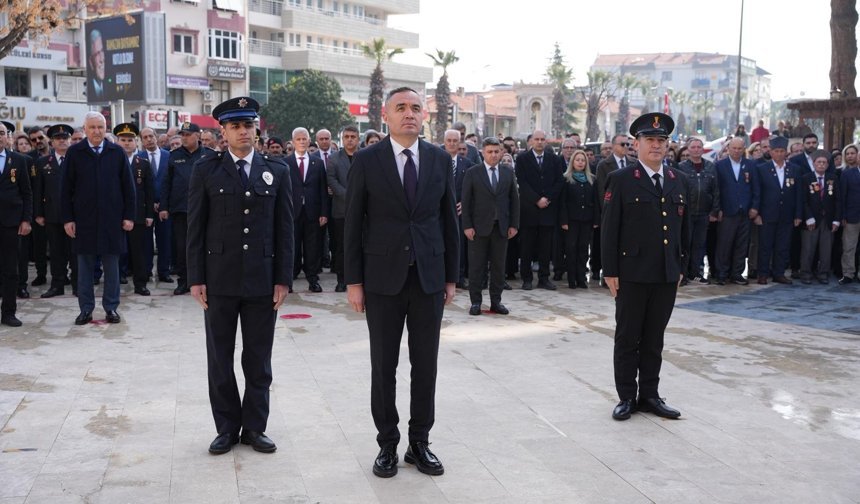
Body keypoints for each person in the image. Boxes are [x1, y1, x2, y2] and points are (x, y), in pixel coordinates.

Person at [344, 86, 459, 478]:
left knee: (425, 365)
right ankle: (387, 444)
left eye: (415, 108)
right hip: (382, 280)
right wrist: (354, 280)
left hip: (428, 278)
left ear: (424, 115)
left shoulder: (440, 159)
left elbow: (449, 221)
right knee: (384, 366)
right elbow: (353, 223)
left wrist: (451, 276)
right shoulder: (367, 160)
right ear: (385, 114)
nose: (409, 113)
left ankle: (420, 442)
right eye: (401, 108)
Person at [187, 96, 293, 455]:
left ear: (256, 129)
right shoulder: (206, 170)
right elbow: (195, 228)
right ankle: (227, 428)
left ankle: (255, 428)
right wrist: (196, 278)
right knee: (220, 358)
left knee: (258, 358)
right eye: (235, 126)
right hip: (219, 280)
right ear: (224, 131)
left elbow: (285, 229)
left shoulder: (277, 170)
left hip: (262, 280)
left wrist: (283, 278)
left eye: (248, 125)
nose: (243, 131)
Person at [601, 112, 690, 422]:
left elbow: (685, 230)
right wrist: (610, 271)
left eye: (661, 140)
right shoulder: (622, 179)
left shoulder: (679, 180)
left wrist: (681, 266)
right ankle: (627, 396)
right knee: (628, 337)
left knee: (654, 338)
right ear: (635, 144)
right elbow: (609, 229)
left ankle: (650, 394)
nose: (656, 145)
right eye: (650, 140)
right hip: (632, 273)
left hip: (666, 273)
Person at [61, 112, 135, 325]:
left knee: (112, 268)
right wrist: (68, 219)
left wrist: (129, 216)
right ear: (85, 129)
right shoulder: (75, 152)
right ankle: (86, 309)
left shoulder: (116, 152)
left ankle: (111, 308)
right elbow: (65, 189)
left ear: (106, 129)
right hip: (83, 220)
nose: (96, 131)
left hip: (112, 220)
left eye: (100, 127)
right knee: (84, 269)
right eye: (92, 127)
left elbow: (128, 187)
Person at [461, 136, 519, 315]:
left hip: (501, 228)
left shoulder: (507, 172)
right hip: (478, 228)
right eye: (490, 152)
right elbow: (466, 201)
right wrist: (467, 226)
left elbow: (514, 200)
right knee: (476, 267)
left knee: (498, 267)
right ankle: (475, 302)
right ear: (483, 153)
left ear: (501, 152)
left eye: (496, 151)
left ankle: (496, 302)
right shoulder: (473, 172)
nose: (493, 155)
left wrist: (514, 224)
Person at [159, 121, 214, 295]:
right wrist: (164, 207)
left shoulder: (209, 155)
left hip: (205, 209)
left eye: (188, 135)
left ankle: (204, 280)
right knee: (182, 247)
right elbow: (167, 183)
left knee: (205, 245)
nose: (184, 138)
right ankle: (184, 281)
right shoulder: (174, 156)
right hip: (181, 209)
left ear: (198, 136)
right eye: (182, 135)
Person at [750, 136, 803, 284]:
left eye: (781, 151)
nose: (779, 154)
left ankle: (779, 273)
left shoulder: (794, 169)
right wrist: (757, 213)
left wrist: (798, 214)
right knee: (765, 245)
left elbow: (799, 193)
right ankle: (762, 273)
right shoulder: (762, 169)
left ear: (786, 152)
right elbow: (757, 192)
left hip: (787, 214)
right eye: (776, 151)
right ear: (771, 152)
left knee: (783, 246)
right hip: (767, 214)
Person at [515, 129, 564, 290]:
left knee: (545, 247)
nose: (540, 142)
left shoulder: (554, 159)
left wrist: (547, 198)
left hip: (548, 209)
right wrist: (536, 199)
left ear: (546, 141)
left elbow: (559, 181)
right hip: (529, 209)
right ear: (531, 141)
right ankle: (527, 279)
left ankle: (544, 278)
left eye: (542, 139)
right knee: (527, 246)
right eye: (537, 139)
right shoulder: (522, 159)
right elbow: (522, 182)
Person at [34, 124, 76, 298]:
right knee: (56, 253)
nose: (62, 141)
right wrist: (38, 213)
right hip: (53, 214)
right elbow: (38, 190)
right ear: (51, 142)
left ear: (70, 140)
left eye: (65, 138)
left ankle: (78, 285)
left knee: (75, 252)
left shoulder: (77, 160)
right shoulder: (43, 162)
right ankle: (57, 285)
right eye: (58, 138)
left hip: (75, 215)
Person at [113, 123, 155, 295]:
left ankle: (140, 283)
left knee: (139, 252)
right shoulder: (110, 162)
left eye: (130, 140)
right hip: (115, 214)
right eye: (123, 140)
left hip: (138, 214)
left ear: (136, 142)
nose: (127, 143)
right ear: (117, 142)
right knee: (115, 252)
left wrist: (150, 214)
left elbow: (149, 192)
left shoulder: (143, 164)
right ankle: (115, 282)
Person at [285, 127, 328, 292]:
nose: (302, 142)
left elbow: (323, 189)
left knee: (313, 247)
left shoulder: (318, 163)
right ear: (293, 142)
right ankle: (290, 279)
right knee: (292, 246)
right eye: (299, 139)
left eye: (304, 139)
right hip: (292, 212)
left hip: (313, 212)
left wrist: (324, 213)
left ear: (309, 141)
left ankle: (313, 279)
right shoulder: (286, 163)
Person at [0, 120, 33, 326]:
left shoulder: (19, 160)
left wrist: (26, 219)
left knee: (11, 270)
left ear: (7, 137)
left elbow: (27, 193)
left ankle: (8, 312)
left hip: (11, 223)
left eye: (1, 133)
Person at [676, 138, 720, 284]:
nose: (696, 149)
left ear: (702, 149)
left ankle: (695, 273)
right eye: (693, 147)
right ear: (688, 149)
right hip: (686, 213)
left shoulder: (710, 166)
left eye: (698, 147)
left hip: (704, 213)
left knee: (699, 245)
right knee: (684, 244)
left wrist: (714, 211)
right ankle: (682, 274)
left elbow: (716, 190)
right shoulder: (681, 167)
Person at [714, 138, 757, 285]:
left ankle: (737, 273)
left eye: (740, 148)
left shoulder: (750, 165)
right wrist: (718, 209)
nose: (737, 151)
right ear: (728, 149)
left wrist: (754, 207)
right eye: (734, 148)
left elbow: (756, 188)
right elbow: (717, 189)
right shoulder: (720, 165)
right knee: (724, 244)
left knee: (742, 244)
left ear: (744, 149)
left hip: (745, 211)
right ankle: (721, 273)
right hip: (727, 211)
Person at [595, 134, 634, 286]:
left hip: (630, 212)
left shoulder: (633, 163)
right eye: (622, 144)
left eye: (628, 144)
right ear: (613, 146)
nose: (626, 147)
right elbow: (602, 191)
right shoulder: (604, 165)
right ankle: (608, 275)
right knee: (610, 244)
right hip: (612, 210)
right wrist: (606, 212)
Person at [326, 125, 360, 292]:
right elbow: (332, 180)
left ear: (358, 139)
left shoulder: (365, 156)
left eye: (353, 137)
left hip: (363, 211)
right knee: (341, 247)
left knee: (361, 246)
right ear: (342, 139)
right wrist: (351, 196)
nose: (350, 140)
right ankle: (342, 280)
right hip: (341, 209)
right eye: (346, 137)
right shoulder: (334, 158)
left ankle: (360, 278)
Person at [559, 149, 599, 288]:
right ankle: (571, 279)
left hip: (587, 219)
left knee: (583, 249)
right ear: (573, 162)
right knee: (571, 248)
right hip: (571, 220)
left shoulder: (592, 179)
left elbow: (595, 201)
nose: (580, 162)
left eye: (583, 160)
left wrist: (596, 220)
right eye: (578, 160)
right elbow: (563, 202)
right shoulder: (566, 179)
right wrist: (563, 220)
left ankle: (581, 278)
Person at [800, 150, 841, 284]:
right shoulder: (806, 178)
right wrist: (808, 217)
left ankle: (823, 273)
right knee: (808, 248)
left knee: (826, 249)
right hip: (811, 219)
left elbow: (838, 201)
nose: (821, 164)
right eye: (819, 162)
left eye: (824, 162)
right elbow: (803, 200)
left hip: (828, 220)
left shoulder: (833, 178)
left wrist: (836, 220)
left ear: (828, 165)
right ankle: (806, 273)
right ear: (814, 163)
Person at [138, 127, 172, 283]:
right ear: (141, 141)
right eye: (145, 137)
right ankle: (146, 271)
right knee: (146, 242)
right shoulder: (138, 157)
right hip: (146, 207)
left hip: (165, 207)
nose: (149, 139)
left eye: (151, 136)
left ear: (156, 137)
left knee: (164, 240)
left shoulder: (168, 156)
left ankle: (164, 271)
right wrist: (150, 203)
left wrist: (163, 204)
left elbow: (170, 182)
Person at [442, 129, 471, 289]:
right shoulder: (436, 160)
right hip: (440, 211)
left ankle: (459, 276)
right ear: (444, 142)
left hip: (460, 213)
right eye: (449, 141)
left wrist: (465, 203)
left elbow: (473, 187)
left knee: (459, 244)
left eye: (455, 141)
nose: (452, 144)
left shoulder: (467, 164)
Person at [839, 144, 860, 284]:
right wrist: (843, 216)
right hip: (852, 216)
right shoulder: (847, 173)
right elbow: (842, 196)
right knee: (849, 246)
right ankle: (848, 274)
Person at [87, 29, 106, 100]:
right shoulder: (89, 92)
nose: (102, 59)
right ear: (91, 62)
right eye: (97, 54)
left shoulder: (111, 90)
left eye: (102, 51)